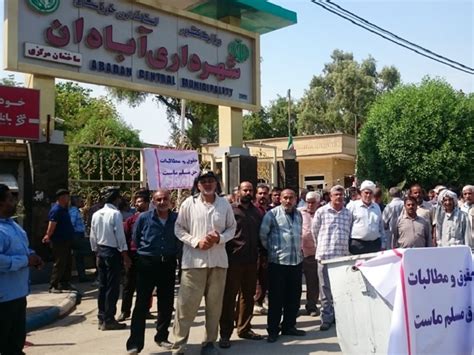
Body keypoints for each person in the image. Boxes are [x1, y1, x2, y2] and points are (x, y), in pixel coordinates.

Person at [171, 171, 236, 355]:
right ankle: (179, 345)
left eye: (211, 181)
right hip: (194, 262)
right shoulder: (188, 204)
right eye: (204, 182)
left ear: (217, 184)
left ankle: (209, 343)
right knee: (186, 307)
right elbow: (178, 228)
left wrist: (219, 238)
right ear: (198, 185)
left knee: (214, 307)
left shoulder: (224, 204)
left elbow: (232, 228)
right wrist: (195, 241)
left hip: (218, 263)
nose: (207, 184)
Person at [126, 190, 180, 354]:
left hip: (168, 264)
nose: (162, 202)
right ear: (153, 202)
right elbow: (135, 238)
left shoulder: (176, 219)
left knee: (166, 303)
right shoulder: (144, 218)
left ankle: (162, 336)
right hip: (147, 263)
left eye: (165, 199)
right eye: (158, 199)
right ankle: (135, 343)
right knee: (141, 303)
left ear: (171, 201)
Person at [218, 181, 263, 349]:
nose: (248, 192)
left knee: (247, 296)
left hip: (251, 260)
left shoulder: (257, 212)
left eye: (251, 190)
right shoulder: (230, 210)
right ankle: (225, 334)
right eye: (245, 190)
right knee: (229, 298)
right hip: (233, 260)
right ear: (238, 191)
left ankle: (244, 329)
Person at [0, 184, 43, 355]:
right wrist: (25, 261)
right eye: (10, 199)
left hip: (18, 295)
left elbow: (24, 250)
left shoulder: (13, 226)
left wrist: (33, 257)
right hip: (3, 299)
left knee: (15, 345)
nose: (15, 202)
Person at [260, 188, 305, 343]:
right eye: (285, 197)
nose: (288, 200)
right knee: (276, 298)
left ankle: (289, 326)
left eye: (291, 198)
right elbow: (263, 236)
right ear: (280, 199)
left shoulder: (299, 214)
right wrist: (273, 251)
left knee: (293, 296)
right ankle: (273, 330)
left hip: (296, 261)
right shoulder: (271, 215)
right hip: (278, 262)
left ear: (295, 199)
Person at [90, 187, 131, 331]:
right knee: (112, 287)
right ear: (116, 199)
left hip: (100, 251)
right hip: (112, 252)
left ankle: (102, 317)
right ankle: (109, 319)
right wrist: (125, 255)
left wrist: (96, 252)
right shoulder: (115, 214)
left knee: (102, 286)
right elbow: (120, 236)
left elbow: (92, 235)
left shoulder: (96, 214)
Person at [312, 185, 352, 331]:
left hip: (342, 257)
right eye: (336, 194)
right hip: (325, 255)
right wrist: (321, 247)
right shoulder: (321, 212)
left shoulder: (348, 213)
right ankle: (326, 318)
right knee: (325, 289)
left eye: (341, 195)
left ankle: (339, 317)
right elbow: (314, 231)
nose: (339, 197)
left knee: (340, 289)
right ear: (330, 196)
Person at [118, 192, 152, 322]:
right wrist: (125, 256)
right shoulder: (131, 220)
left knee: (146, 285)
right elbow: (124, 239)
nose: (139, 204)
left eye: (141, 201)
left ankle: (146, 310)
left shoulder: (153, 218)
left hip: (147, 256)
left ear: (147, 203)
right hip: (133, 255)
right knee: (128, 285)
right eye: (137, 202)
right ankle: (125, 311)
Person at [42, 189, 75, 293]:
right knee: (59, 263)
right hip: (59, 241)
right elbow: (52, 224)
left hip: (67, 240)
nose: (68, 199)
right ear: (62, 198)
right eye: (67, 197)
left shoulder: (64, 209)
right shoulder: (56, 210)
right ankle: (53, 285)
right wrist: (48, 235)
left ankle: (65, 283)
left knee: (67, 262)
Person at [298, 191, 321, 317]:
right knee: (296, 283)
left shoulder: (321, 213)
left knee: (312, 282)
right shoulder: (299, 212)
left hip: (313, 252)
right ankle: (294, 307)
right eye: (308, 202)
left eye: (313, 202)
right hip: (299, 251)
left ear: (318, 202)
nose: (310, 205)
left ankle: (311, 306)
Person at [347, 180, 384, 254]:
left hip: (374, 245)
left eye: (370, 193)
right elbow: (348, 226)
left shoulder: (376, 207)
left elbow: (380, 227)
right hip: (357, 245)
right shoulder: (352, 206)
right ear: (361, 193)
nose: (368, 195)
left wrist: (383, 244)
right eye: (366, 193)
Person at [253, 183, 270, 314]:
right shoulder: (253, 210)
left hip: (267, 249)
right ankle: (256, 302)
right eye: (260, 193)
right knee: (257, 277)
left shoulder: (270, 211)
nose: (263, 196)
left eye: (265, 193)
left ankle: (262, 300)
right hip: (255, 249)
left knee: (265, 277)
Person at [69, 195, 91, 282]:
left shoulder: (76, 211)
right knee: (83, 253)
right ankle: (82, 275)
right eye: (80, 201)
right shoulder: (74, 211)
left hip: (78, 235)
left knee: (79, 256)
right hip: (77, 235)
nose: (83, 202)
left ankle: (82, 275)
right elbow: (71, 224)